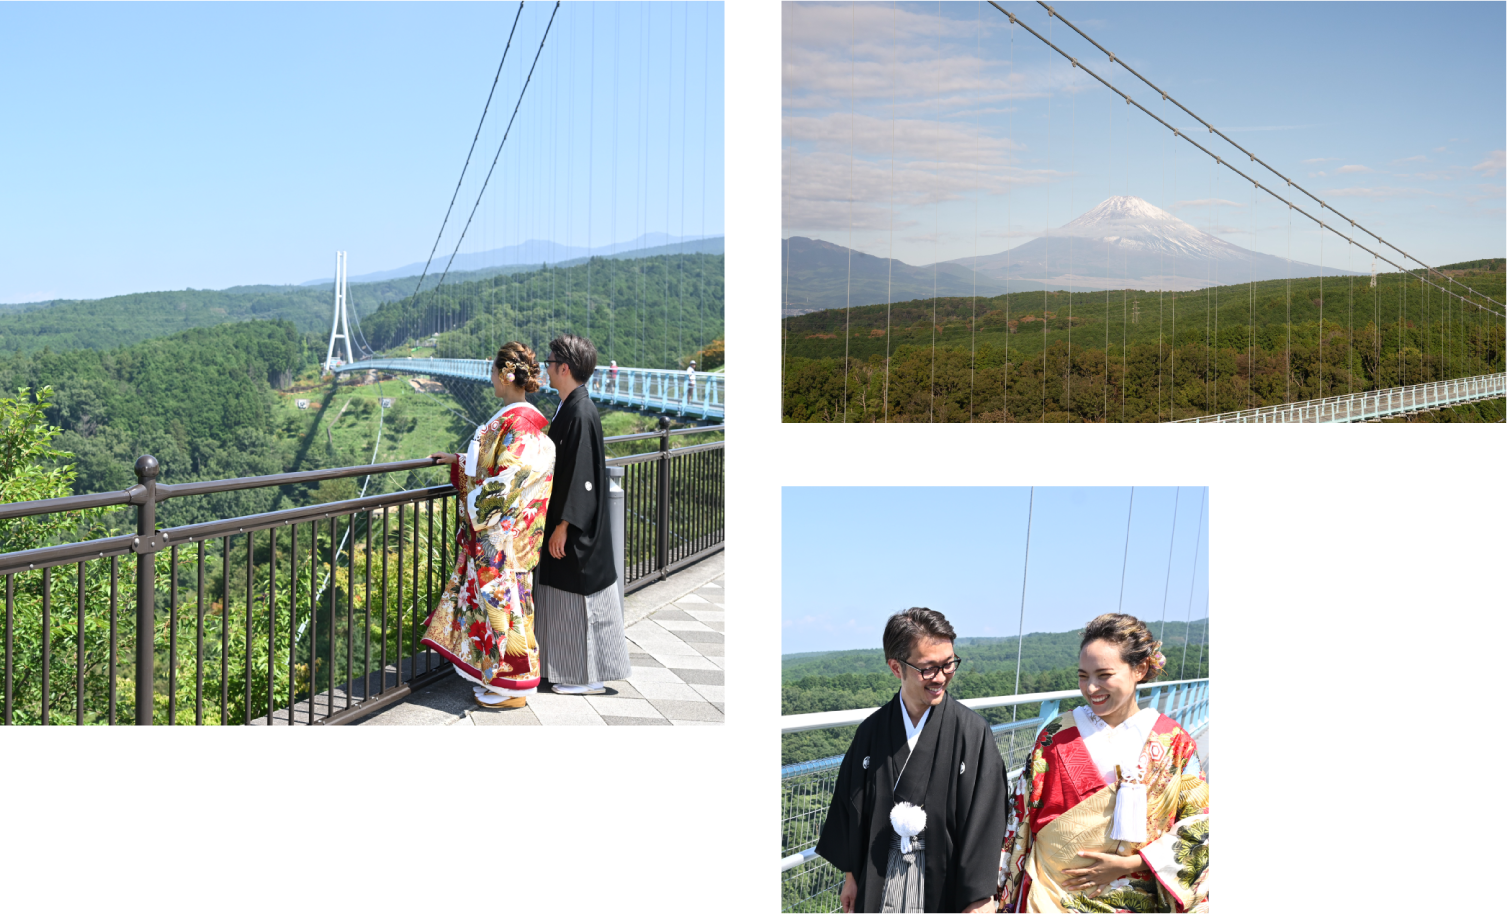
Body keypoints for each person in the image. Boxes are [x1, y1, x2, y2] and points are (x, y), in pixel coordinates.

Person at [994, 613, 1209, 914]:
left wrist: (1134, 863)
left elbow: (1200, 822)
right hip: (1052, 896)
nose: (1092, 687)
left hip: (1135, 898)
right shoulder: (1055, 735)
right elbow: (1020, 818)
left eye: (1104, 675)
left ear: (1140, 668)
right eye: (1083, 676)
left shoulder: (1174, 742)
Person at [816, 608, 1007, 914]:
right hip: (879, 878)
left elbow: (986, 818)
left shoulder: (972, 732)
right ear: (896, 667)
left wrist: (980, 898)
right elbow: (851, 807)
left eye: (949, 664)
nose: (941, 677)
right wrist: (851, 876)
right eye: (929, 668)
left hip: (944, 884)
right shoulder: (872, 731)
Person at [422, 342, 555, 710]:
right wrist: (460, 460)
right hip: (513, 534)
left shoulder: (519, 424)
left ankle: (512, 687)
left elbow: (507, 479)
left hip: (501, 536)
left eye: (493, 373)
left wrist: (472, 503)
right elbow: (500, 468)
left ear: (505, 375)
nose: (491, 380)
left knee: (505, 610)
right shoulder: (522, 421)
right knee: (506, 607)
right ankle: (504, 681)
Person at [534, 333, 631, 694]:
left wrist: (564, 525)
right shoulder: (569, 406)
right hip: (565, 524)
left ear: (564, 368)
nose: (545, 367)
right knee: (565, 604)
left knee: (582, 604)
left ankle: (587, 677)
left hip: (573, 530)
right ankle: (568, 670)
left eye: (549, 361)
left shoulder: (580, 410)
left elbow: (583, 477)